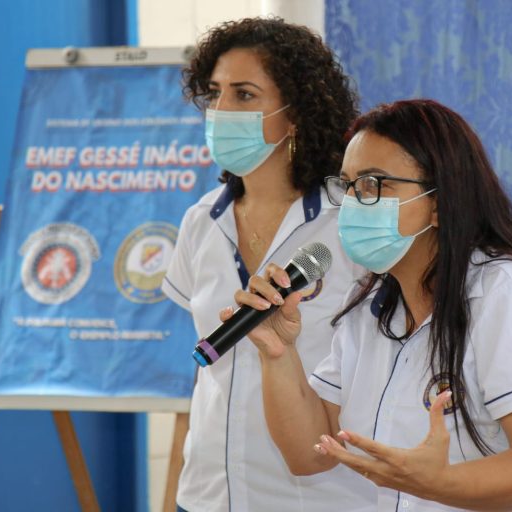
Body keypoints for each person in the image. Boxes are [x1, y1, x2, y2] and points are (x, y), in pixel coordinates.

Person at [228, 99, 512, 510]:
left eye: (373, 184)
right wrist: (277, 353)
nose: (353, 202)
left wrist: (438, 483)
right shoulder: (371, 310)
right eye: (348, 185)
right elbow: (308, 452)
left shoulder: (511, 294)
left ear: (440, 203)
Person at [161, 17, 369, 512]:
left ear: (296, 111)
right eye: (214, 93)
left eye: (245, 95)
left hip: (321, 496)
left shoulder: (352, 223)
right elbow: (206, 370)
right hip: (208, 492)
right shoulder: (200, 220)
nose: (222, 110)